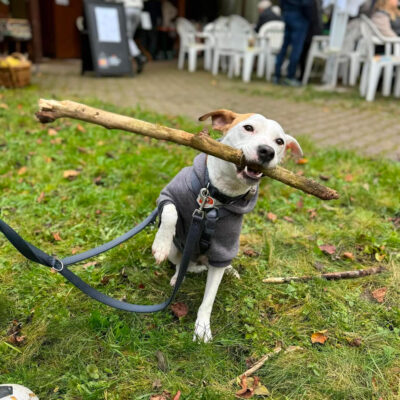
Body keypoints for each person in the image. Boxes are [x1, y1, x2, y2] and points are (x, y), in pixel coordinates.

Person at [274, 0, 312, 86]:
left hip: (287, 16)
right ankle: (290, 77)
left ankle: (277, 75)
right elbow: (307, 5)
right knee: (296, 49)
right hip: (299, 18)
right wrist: (309, 18)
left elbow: (281, 3)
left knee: (284, 47)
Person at [122, 0, 147, 73]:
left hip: (126, 8)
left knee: (126, 37)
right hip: (138, 9)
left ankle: (138, 56)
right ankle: (129, 60)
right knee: (129, 37)